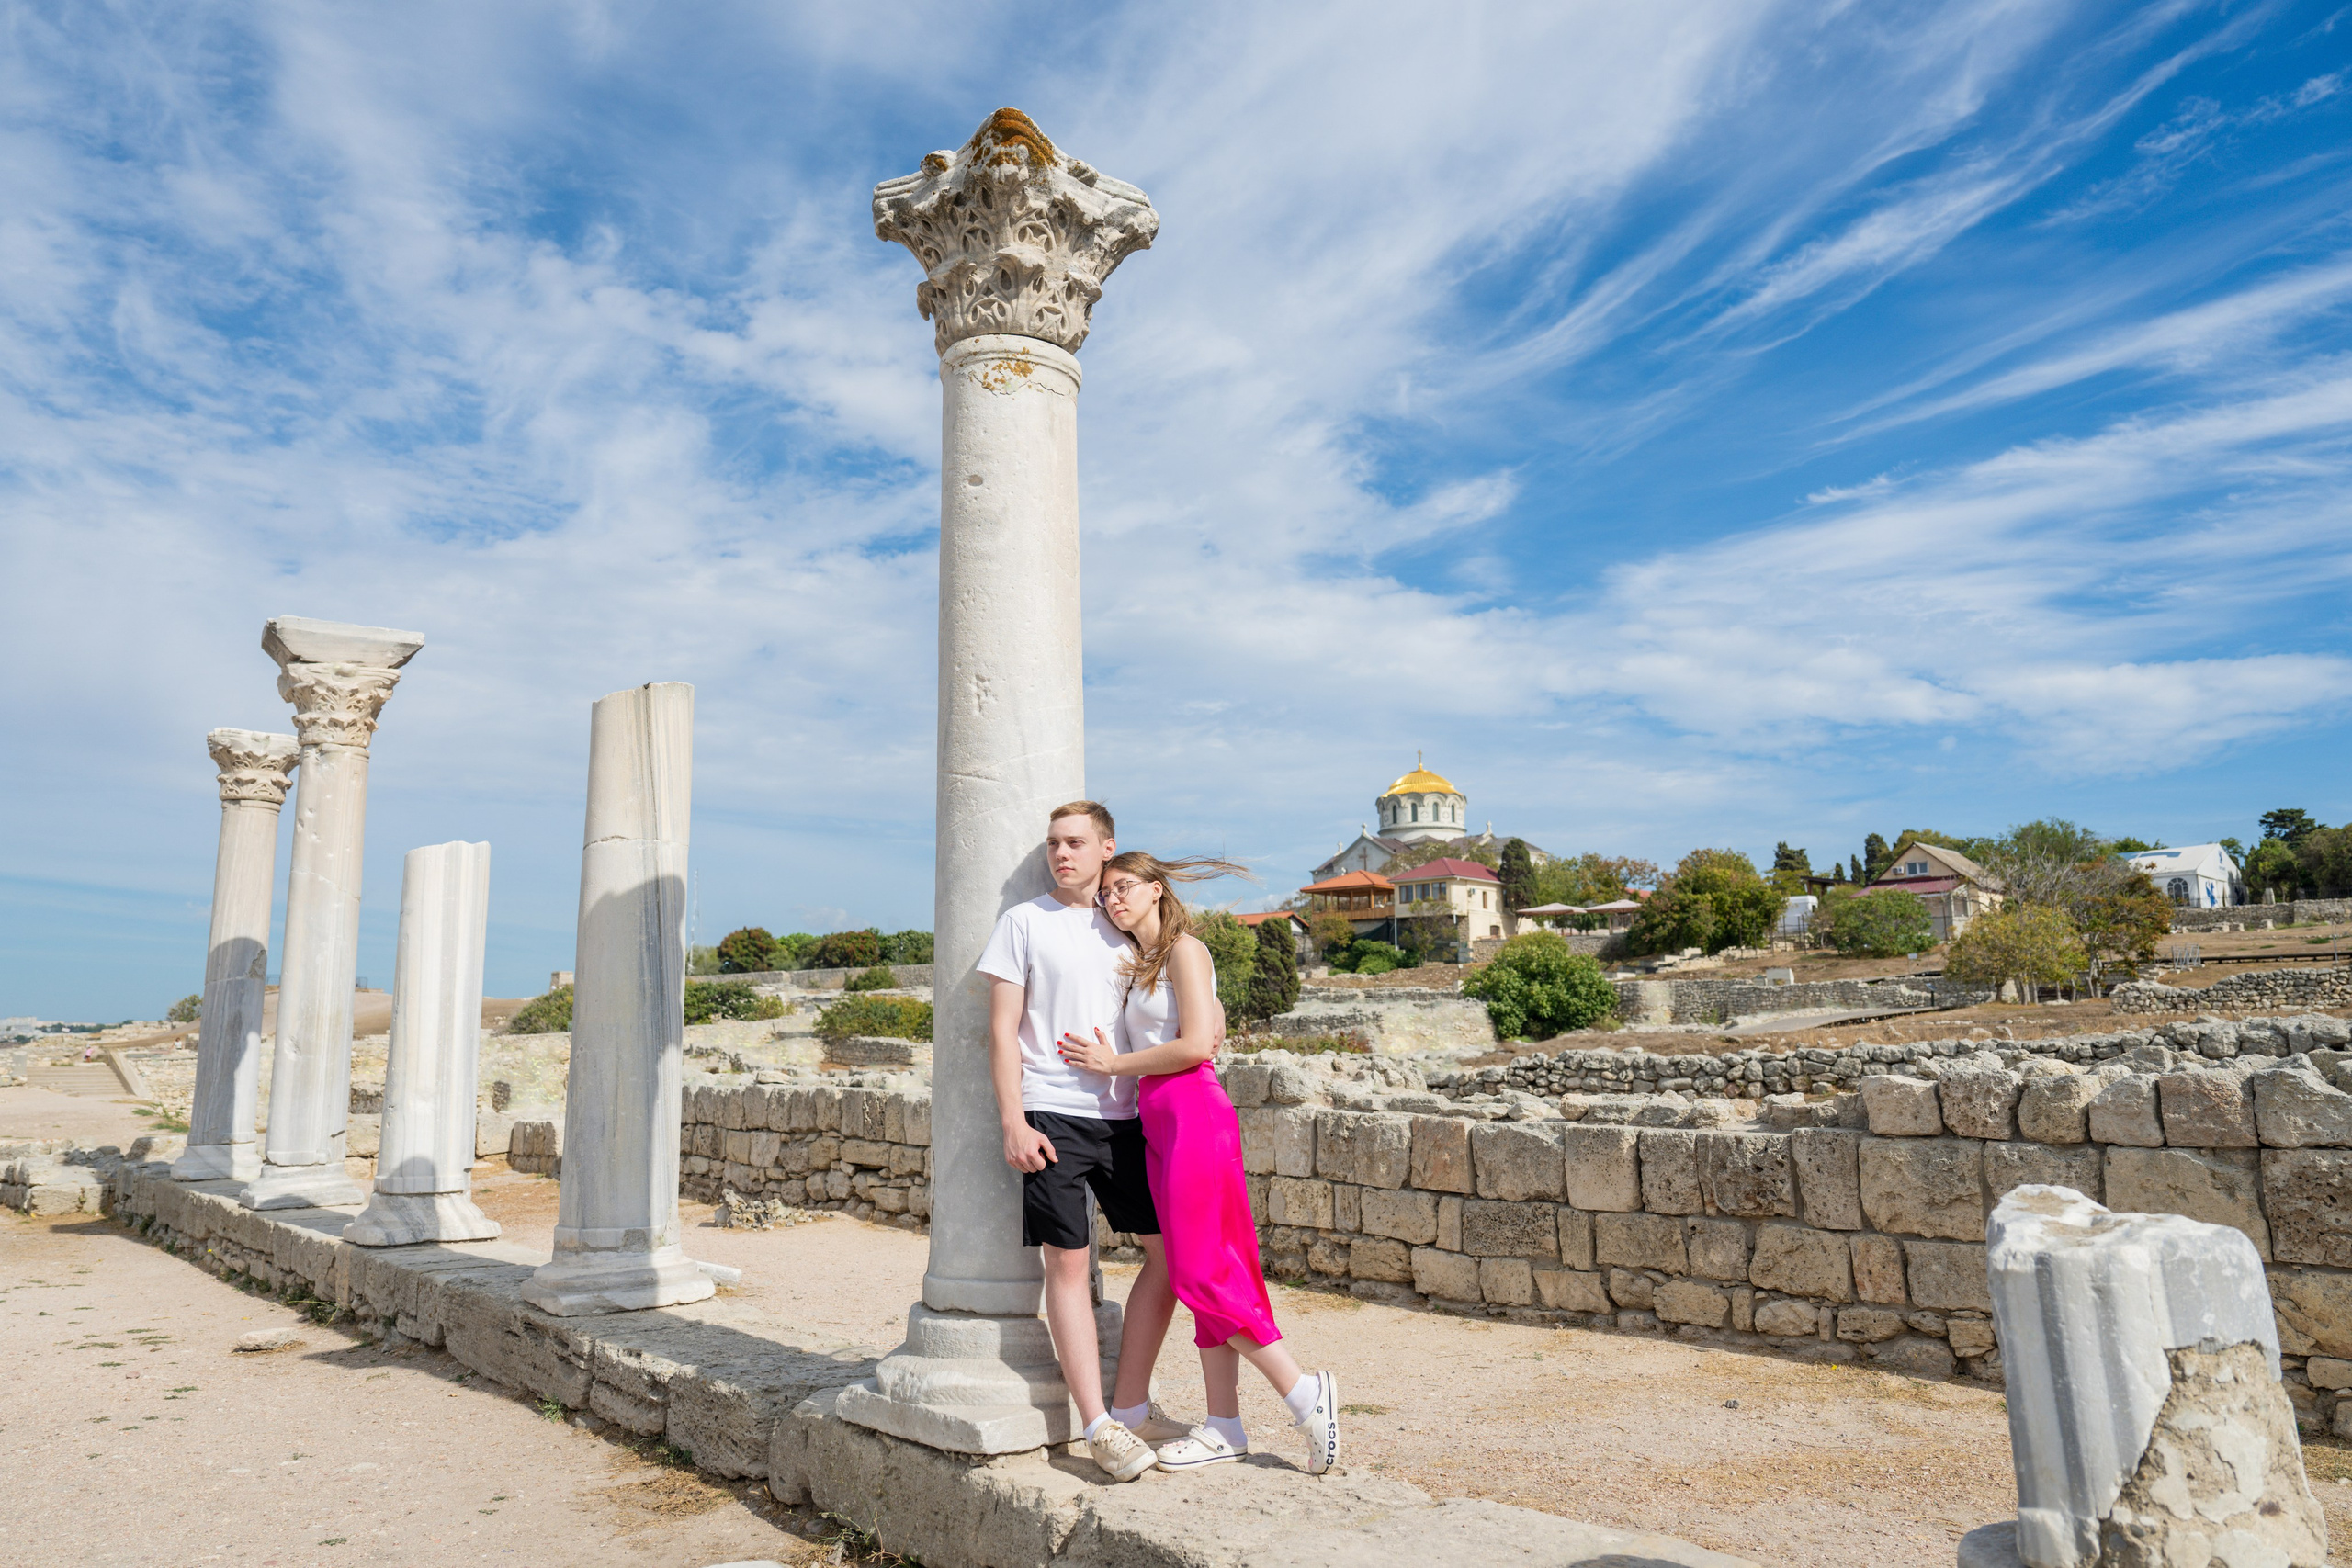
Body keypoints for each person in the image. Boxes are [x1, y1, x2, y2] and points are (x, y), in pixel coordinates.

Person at [1058, 851, 1341, 1475]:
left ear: (1156, 889)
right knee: (1208, 1267)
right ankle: (1224, 1425)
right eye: (1106, 894)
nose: (1113, 900)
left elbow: (1192, 1047)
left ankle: (1302, 1392)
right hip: (1158, 1121)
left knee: (1197, 1272)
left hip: (1193, 1113)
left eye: (1124, 887)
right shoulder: (1141, 963)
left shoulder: (1185, 950)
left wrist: (1113, 1064)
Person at [978, 801, 1204, 1483]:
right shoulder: (1023, 921)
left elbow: (1182, 1004)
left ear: (1108, 847)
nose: (1061, 854)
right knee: (1068, 1267)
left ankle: (1131, 1405)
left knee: (1169, 1258)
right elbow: (1001, 1030)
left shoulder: (1128, 925)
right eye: (1053, 843)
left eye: (1075, 842)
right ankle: (1098, 1425)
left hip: (1128, 1117)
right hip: (1051, 1113)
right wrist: (1013, 1121)